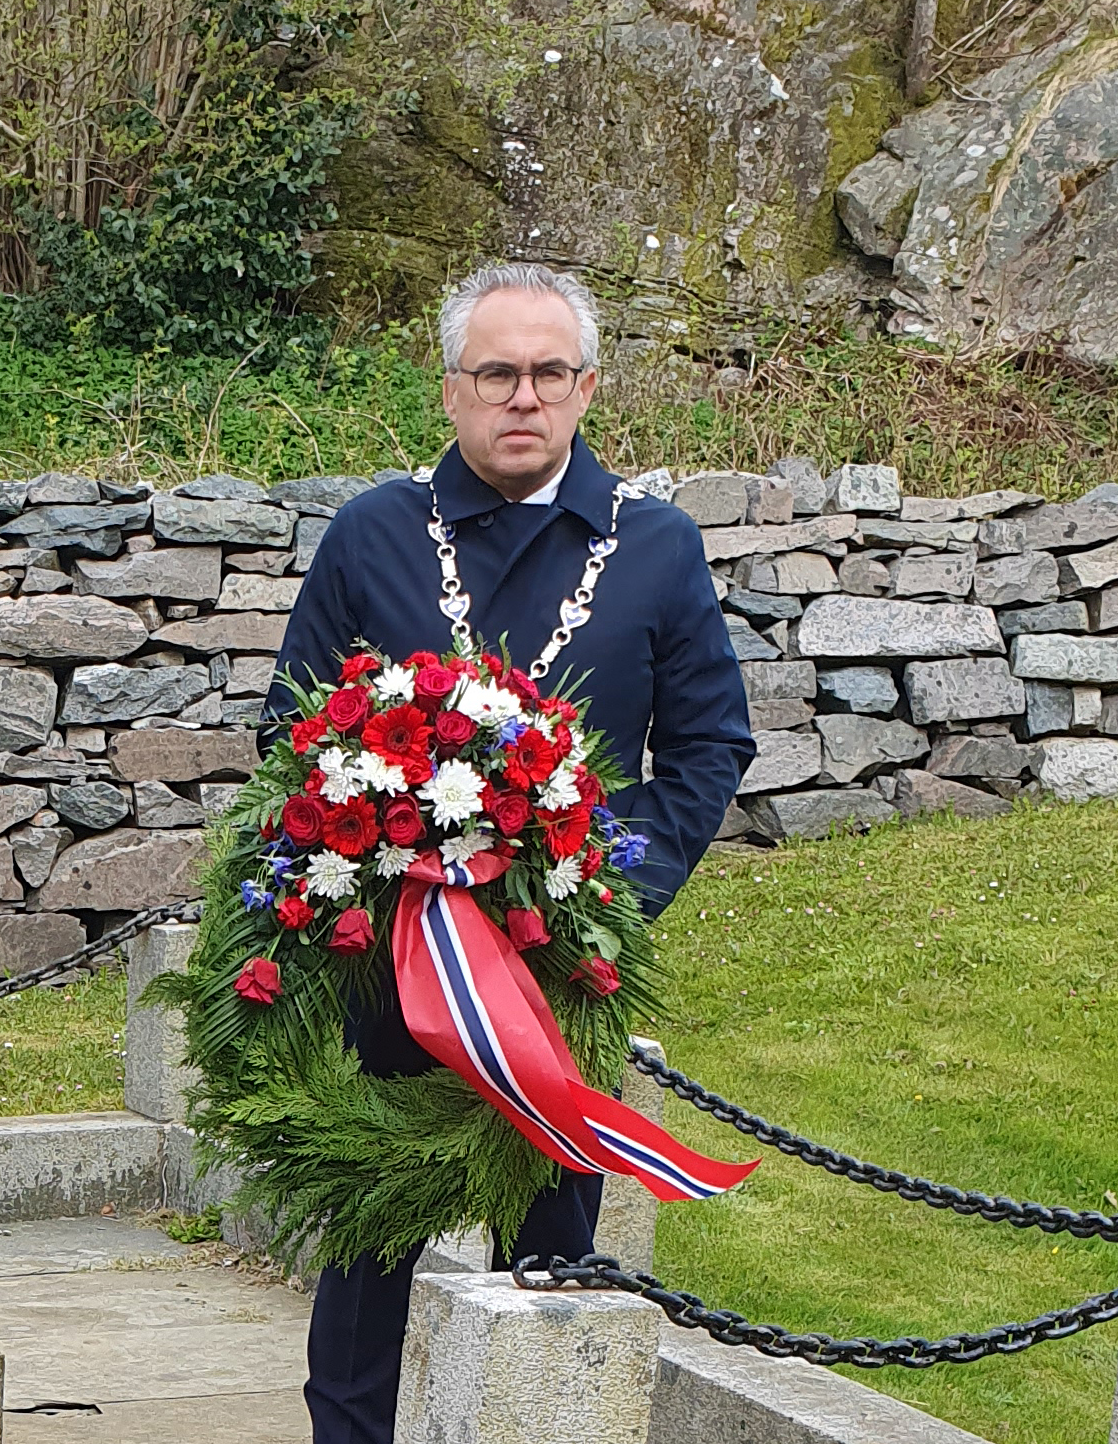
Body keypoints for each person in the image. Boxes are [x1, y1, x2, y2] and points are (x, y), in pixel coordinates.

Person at [268, 262, 756, 1444]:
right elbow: (290, 727)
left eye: (547, 372)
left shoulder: (659, 547)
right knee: (366, 1256)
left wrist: (607, 902)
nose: (521, 397)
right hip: (390, 961)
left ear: (586, 388)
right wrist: (361, 886)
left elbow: (708, 744)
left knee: (549, 1269)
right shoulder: (373, 534)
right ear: (451, 390)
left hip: (556, 980)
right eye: (497, 373)